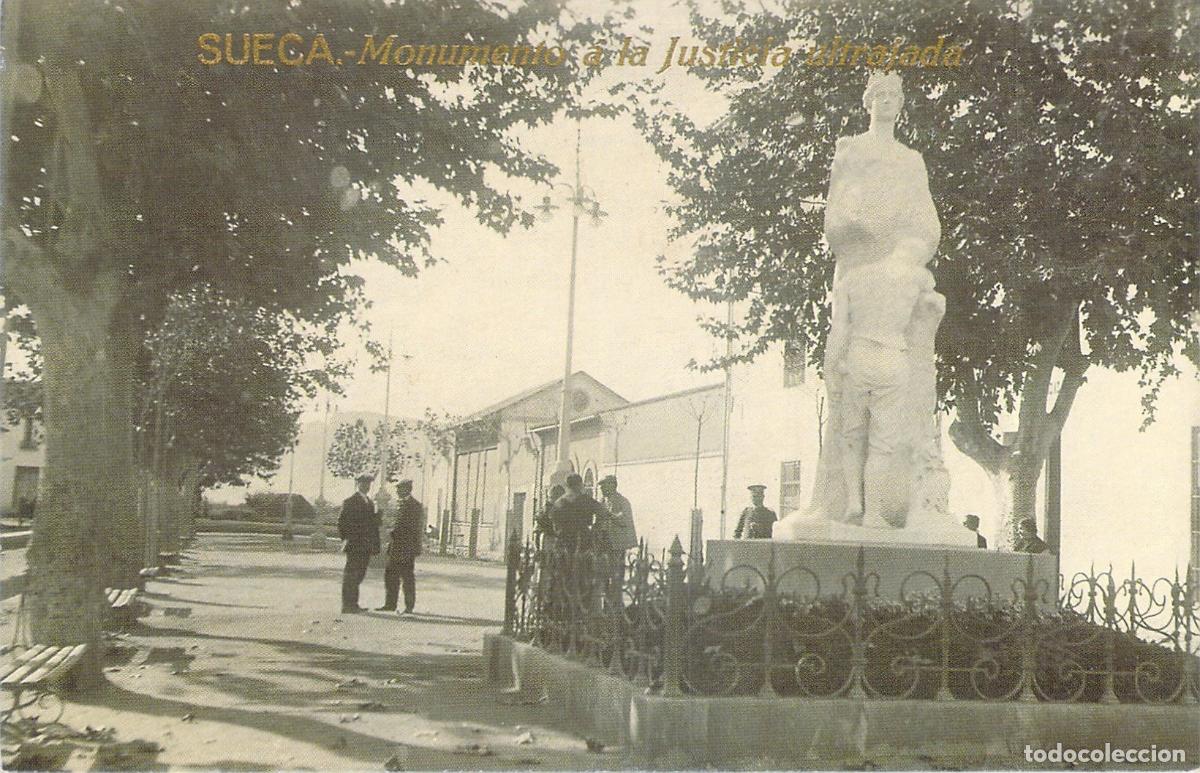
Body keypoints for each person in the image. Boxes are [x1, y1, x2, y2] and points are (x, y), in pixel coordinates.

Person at [379, 479, 425, 614]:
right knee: (391, 575)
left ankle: (408, 606)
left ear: (407, 489)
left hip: (406, 548)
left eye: (400, 489)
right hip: (397, 546)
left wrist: (391, 533)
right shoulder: (402, 504)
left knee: (406, 577)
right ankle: (390, 604)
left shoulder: (414, 505)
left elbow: (410, 528)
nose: (397, 491)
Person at [338, 473, 381, 613]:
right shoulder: (350, 501)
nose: (366, 486)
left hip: (366, 545)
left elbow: (371, 524)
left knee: (360, 574)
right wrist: (348, 538)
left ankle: (353, 604)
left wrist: (377, 518)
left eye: (368, 484)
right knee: (351, 574)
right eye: (363, 484)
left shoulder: (369, 502)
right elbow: (342, 522)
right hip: (355, 544)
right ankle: (347, 605)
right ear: (358, 484)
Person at [549, 473, 609, 552]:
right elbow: (602, 512)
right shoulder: (586, 500)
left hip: (562, 541)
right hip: (582, 540)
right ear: (580, 485)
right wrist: (596, 527)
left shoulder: (559, 502)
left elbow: (553, 519)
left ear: (567, 485)